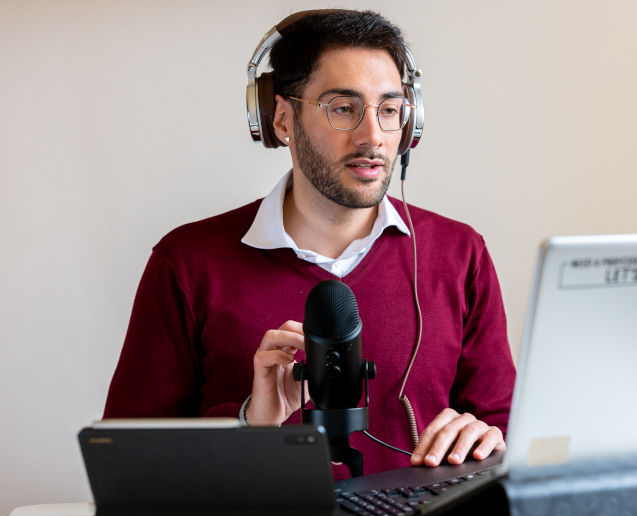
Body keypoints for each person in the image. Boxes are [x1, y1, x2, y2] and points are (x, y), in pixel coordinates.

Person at [103, 9, 516, 478]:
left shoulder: (460, 254)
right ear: (282, 120)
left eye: (389, 109)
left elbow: (506, 427)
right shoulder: (187, 262)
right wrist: (248, 424)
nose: (374, 137)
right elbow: (126, 462)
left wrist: (491, 439)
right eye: (343, 108)